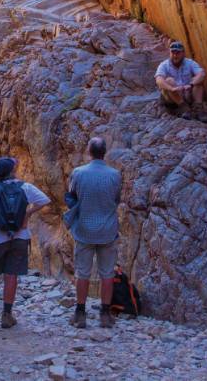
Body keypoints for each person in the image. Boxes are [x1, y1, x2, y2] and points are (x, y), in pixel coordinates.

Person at [0, 157, 51, 329]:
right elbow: (45, 200)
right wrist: (28, 213)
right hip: (20, 236)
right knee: (11, 276)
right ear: (12, 171)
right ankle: (7, 316)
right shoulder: (25, 187)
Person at [66, 137, 122, 329]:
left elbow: (71, 197)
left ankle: (80, 314)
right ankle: (105, 315)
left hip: (84, 230)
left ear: (89, 151)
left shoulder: (78, 173)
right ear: (104, 152)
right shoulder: (115, 175)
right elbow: (117, 199)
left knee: (83, 273)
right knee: (107, 274)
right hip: (107, 230)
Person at [155, 41, 206, 113]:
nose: (175, 55)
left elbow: (202, 74)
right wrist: (172, 88)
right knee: (169, 80)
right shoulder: (164, 65)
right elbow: (159, 80)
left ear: (183, 53)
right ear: (169, 53)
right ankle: (183, 107)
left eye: (178, 53)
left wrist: (191, 84)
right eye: (173, 52)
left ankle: (198, 108)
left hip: (186, 93)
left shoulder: (190, 63)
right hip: (171, 97)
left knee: (198, 81)